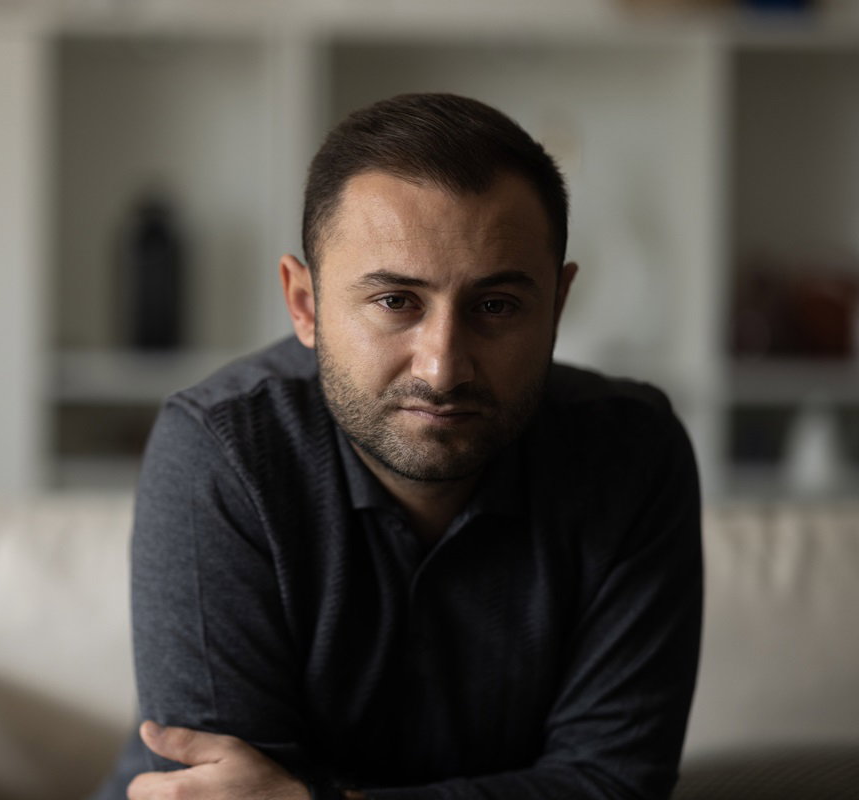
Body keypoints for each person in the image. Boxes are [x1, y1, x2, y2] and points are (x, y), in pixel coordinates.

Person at [96, 93, 703, 800]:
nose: (442, 367)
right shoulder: (222, 450)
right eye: (395, 302)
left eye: (497, 307)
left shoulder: (632, 454)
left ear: (558, 307)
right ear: (306, 304)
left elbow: (617, 786)